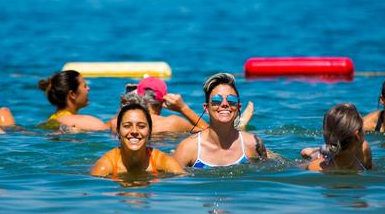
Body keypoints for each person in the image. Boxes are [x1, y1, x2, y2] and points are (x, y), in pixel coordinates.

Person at [173, 73, 267, 168]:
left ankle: (241, 124)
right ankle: (241, 123)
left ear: (238, 107)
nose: (225, 104)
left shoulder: (253, 144)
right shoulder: (188, 148)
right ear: (206, 108)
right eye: (216, 100)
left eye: (231, 100)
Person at [126, 76, 254, 133]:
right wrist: (182, 108)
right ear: (163, 101)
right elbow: (209, 131)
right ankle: (238, 127)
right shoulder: (172, 123)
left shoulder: (118, 123)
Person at [90, 103, 185, 177]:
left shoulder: (163, 161)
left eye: (141, 126)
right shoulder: (105, 165)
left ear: (150, 132)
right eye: (127, 126)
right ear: (118, 132)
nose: (134, 131)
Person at [38, 70, 114, 132]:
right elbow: (109, 129)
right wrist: (125, 104)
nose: (88, 89)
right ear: (72, 94)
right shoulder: (77, 120)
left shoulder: (52, 119)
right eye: (84, 86)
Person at [306, 103, 372, 172]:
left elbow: (370, 168)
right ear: (357, 135)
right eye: (362, 127)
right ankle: (312, 151)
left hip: (331, 150)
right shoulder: (315, 168)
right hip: (321, 156)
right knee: (308, 154)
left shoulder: (364, 150)